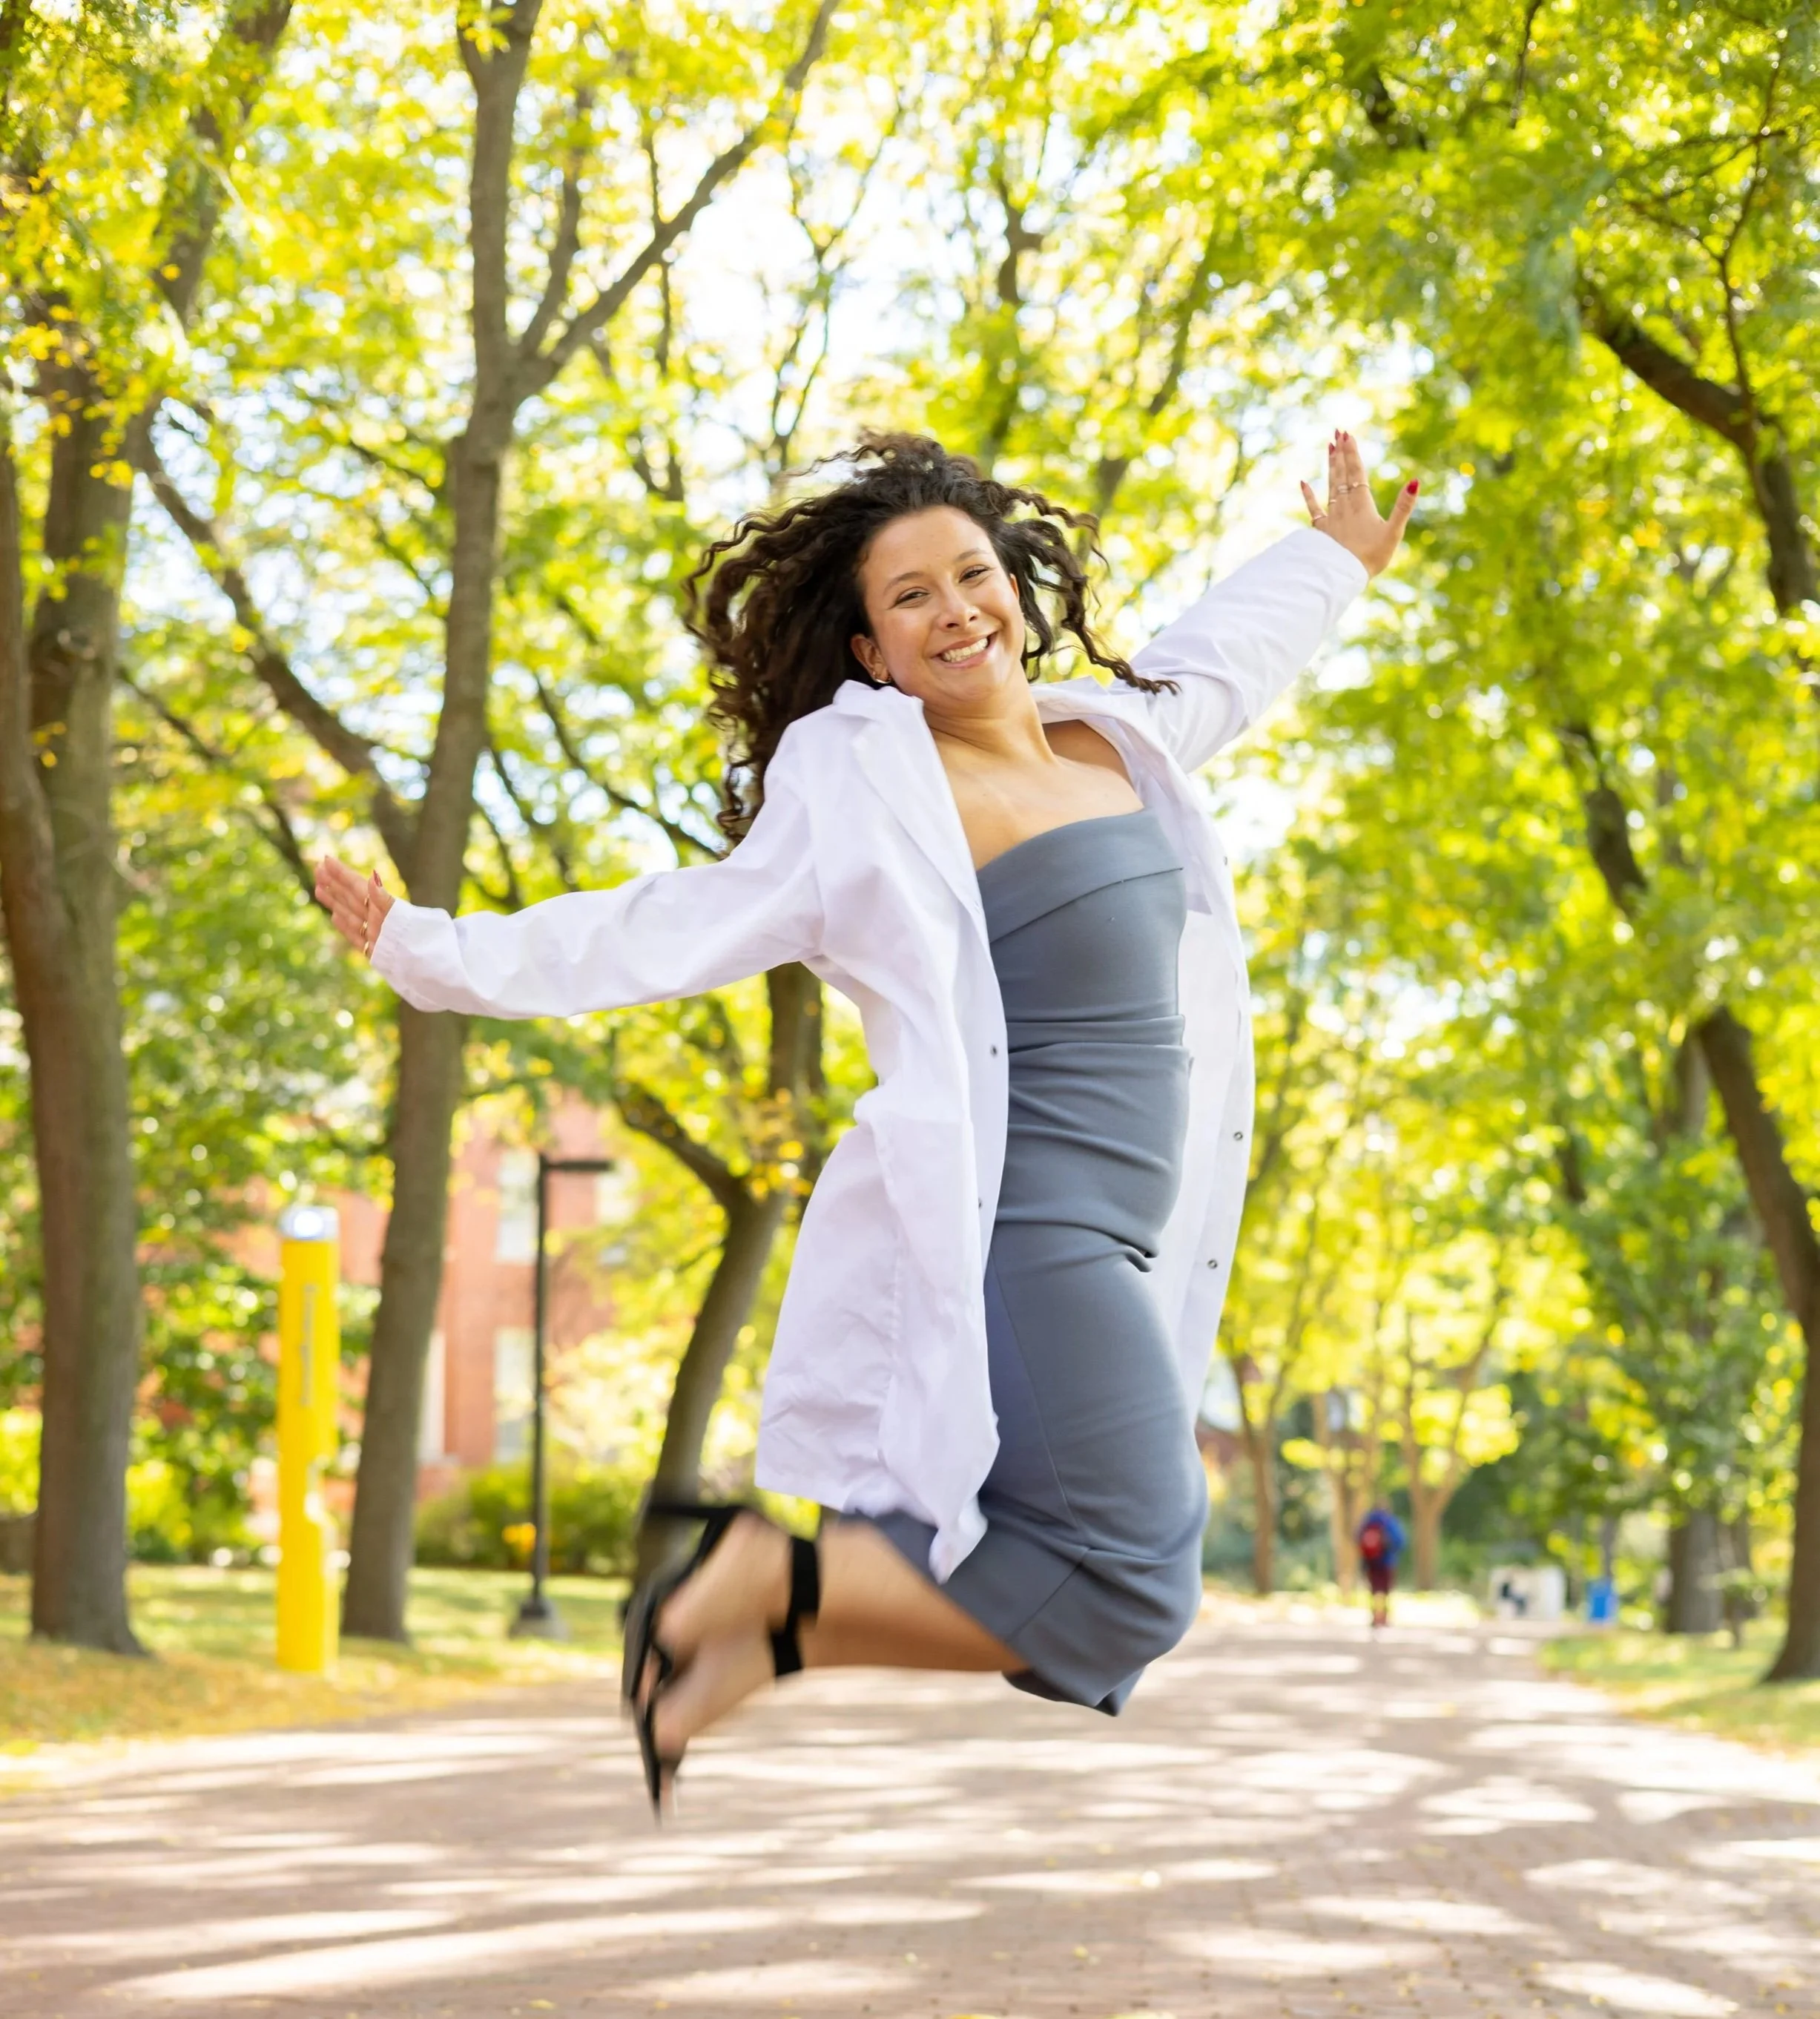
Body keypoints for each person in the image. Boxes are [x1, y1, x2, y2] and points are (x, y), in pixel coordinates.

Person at [315, 430, 1415, 1814]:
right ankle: (767, 1585)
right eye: (911, 597)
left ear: (1015, 585)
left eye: (973, 574)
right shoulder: (870, 792)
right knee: (1135, 1576)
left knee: (1061, 1565)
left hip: (1127, 1240)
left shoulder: (1113, 735)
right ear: (870, 650)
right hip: (1028, 1227)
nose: (956, 609)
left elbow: (1223, 655)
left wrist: (1331, 558)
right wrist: (431, 949)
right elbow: (670, 925)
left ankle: (747, 1636)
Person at [1357, 1504, 1406, 1629]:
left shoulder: (1368, 1522)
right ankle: (1384, 1617)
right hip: (1387, 1562)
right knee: (1386, 1591)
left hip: (1370, 1562)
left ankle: (1374, 1616)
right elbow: (1400, 1542)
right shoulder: (1390, 1522)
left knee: (1373, 1590)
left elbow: (1357, 1538)